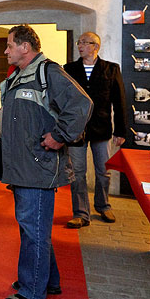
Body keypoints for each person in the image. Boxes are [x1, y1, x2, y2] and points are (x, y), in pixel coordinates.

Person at [0, 25, 92, 299]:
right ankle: (46, 280)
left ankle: (32, 294)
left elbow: (81, 104)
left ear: (25, 47)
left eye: (10, 45)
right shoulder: (18, 77)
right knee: (33, 227)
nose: (6, 50)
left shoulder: (48, 72)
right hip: (23, 167)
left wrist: (60, 135)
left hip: (37, 167)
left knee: (33, 230)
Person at [63, 32, 126, 228]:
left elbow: (120, 101)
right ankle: (81, 213)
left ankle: (103, 205)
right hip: (76, 131)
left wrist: (121, 131)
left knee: (103, 171)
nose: (80, 46)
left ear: (95, 46)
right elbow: (63, 100)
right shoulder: (69, 69)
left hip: (102, 129)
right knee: (77, 172)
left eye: (85, 43)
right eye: (79, 42)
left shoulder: (111, 69)